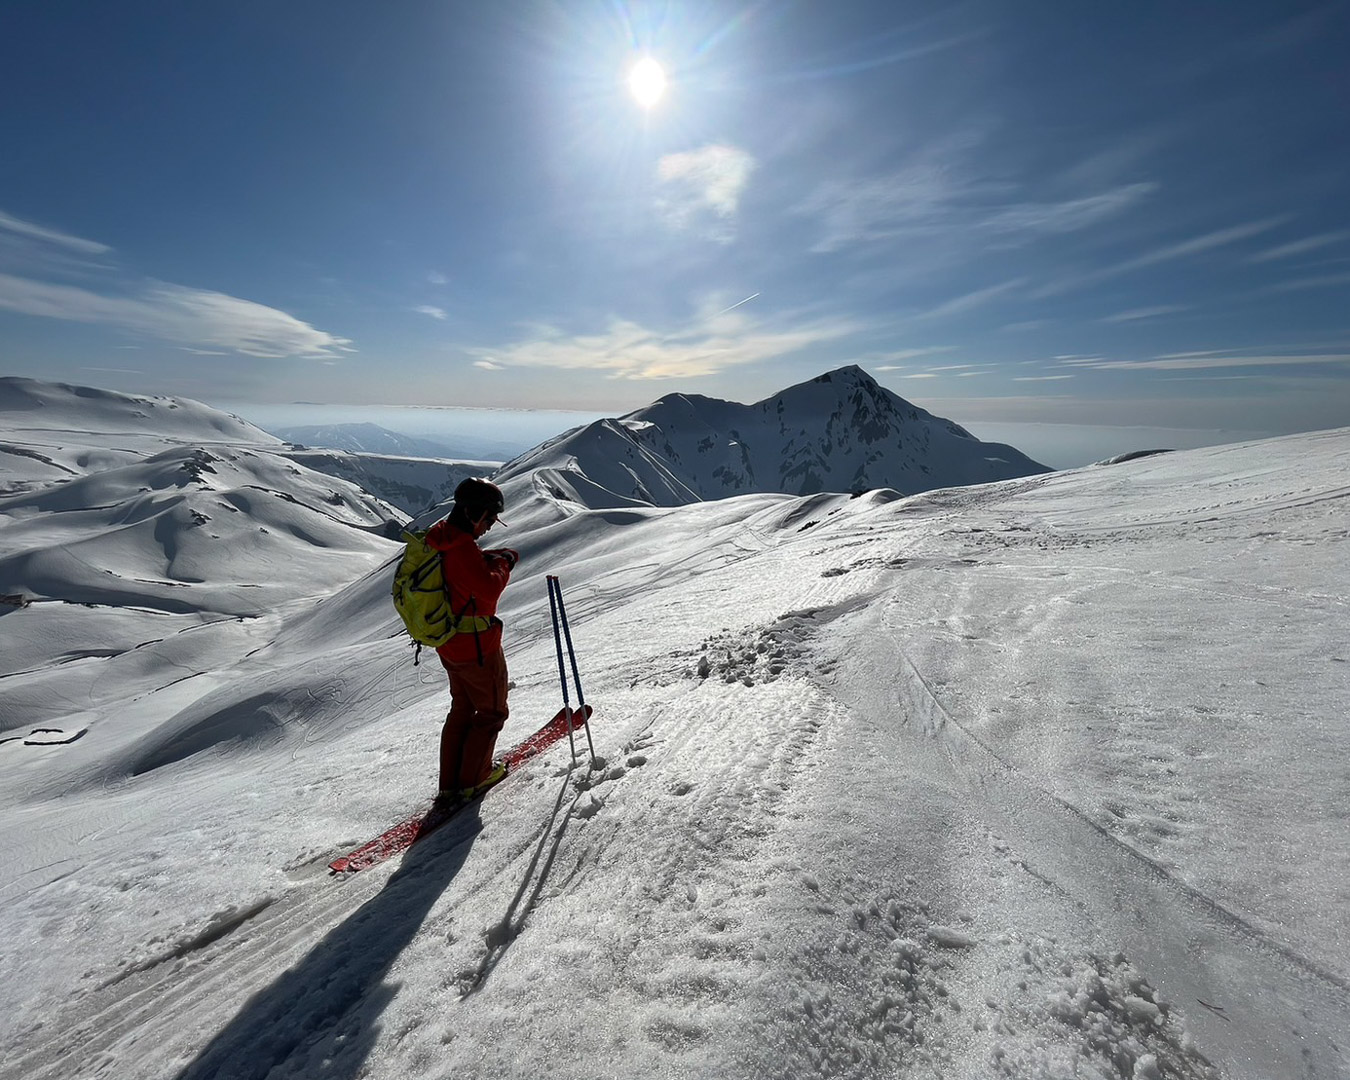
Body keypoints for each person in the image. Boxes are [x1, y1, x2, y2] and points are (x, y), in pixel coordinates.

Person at [424, 477, 518, 803]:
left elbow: (462, 580)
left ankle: (451, 783)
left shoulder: (442, 537)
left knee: (462, 707)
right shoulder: (461, 547)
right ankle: (474, 780)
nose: (490, 526)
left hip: (449, 642)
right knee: (492, 713)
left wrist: (484, 558)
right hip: (476, 646)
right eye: (490, 519)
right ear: (475, 513)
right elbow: (488, 592)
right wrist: (503, 564)